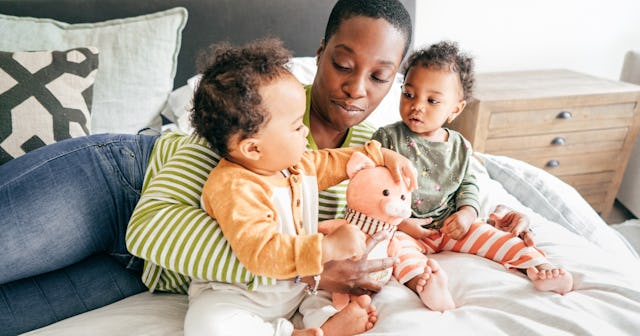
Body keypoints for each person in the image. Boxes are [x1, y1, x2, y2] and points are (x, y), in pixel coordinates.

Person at [0, 0, 531, 334]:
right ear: (320, 53)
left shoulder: (375, 146)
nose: (356, 87)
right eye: (344, 64)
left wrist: (485, 208)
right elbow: (151, 227)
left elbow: (452, 170)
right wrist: (306, 264)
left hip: (142, 274)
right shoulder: (256, 106)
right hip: (116, 186)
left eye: (379, 76)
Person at [186, 38, 420, 336]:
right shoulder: (233, 186)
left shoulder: (296, 165)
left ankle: (325, 322)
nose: (306, 131)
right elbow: (260, 251)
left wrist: (382, 154)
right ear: (253, 149)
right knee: (207, 324)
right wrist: (327, 247)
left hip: (299, 288)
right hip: (242, 296)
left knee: (324, 296)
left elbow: (336, 162)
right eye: (297, 126)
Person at [372, 41, 574, 305]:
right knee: (396, 251)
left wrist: (467, 213)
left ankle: (537, 266)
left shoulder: (459, 146)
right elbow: (374, 189)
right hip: (406, 228)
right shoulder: (387, 138)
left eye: (432, 100)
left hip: (450, 225)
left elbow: (468, 185)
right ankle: (425, 284)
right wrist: (399, 223)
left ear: (455, 109)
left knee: (494, 237)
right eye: (409, 94)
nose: (417, 105)